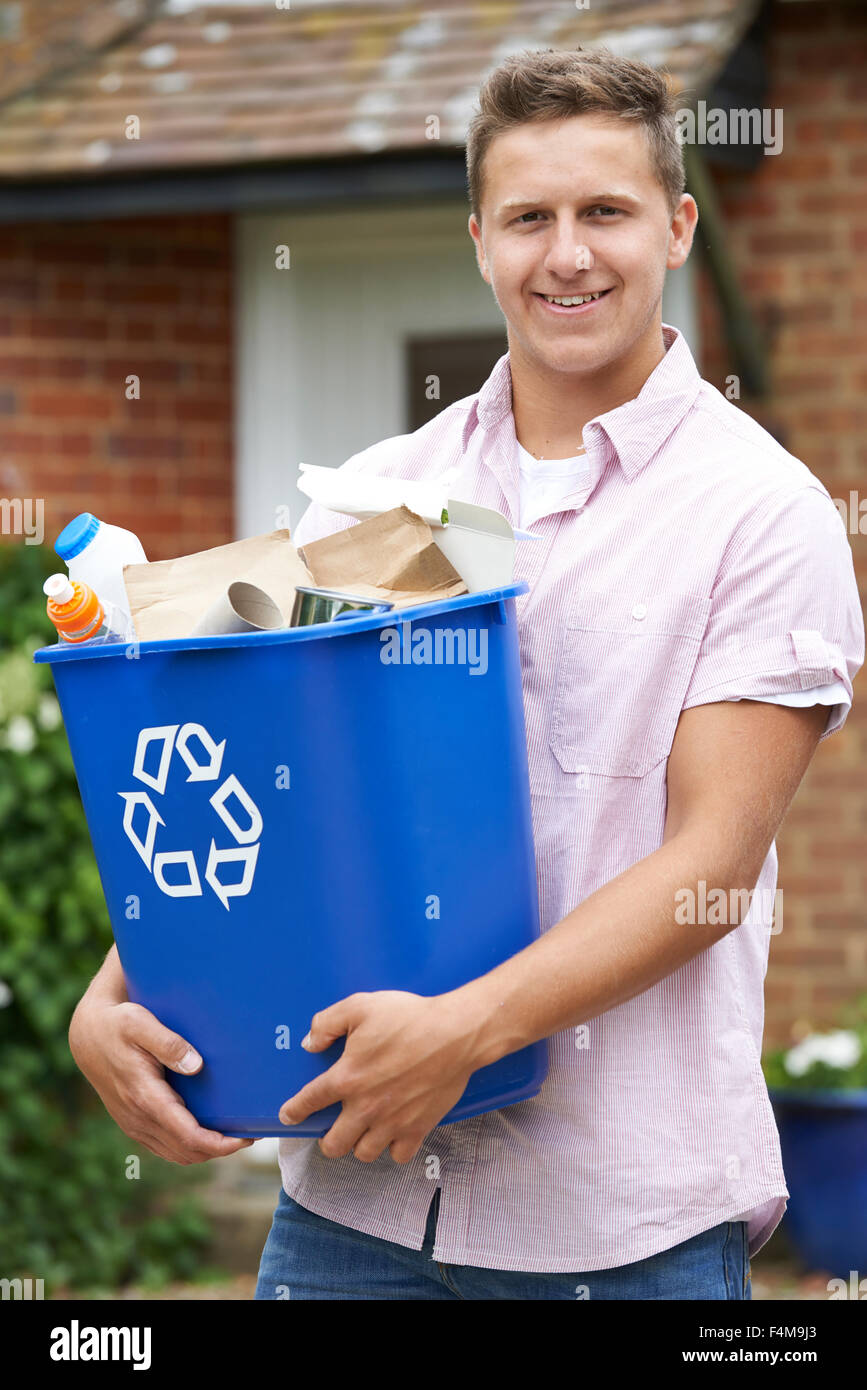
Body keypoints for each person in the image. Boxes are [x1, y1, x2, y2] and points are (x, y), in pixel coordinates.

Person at [69, 47, 864, 1300]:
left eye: (605, 211)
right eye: (529, 218)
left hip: (617, 1230)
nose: (568, 255)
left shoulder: (761, 514)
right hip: (355, 1206)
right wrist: (113, 991)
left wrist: (465, 1030)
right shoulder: (381, 492)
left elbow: (709, 862)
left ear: (677, 225)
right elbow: (270, 780)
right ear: (480, 239)